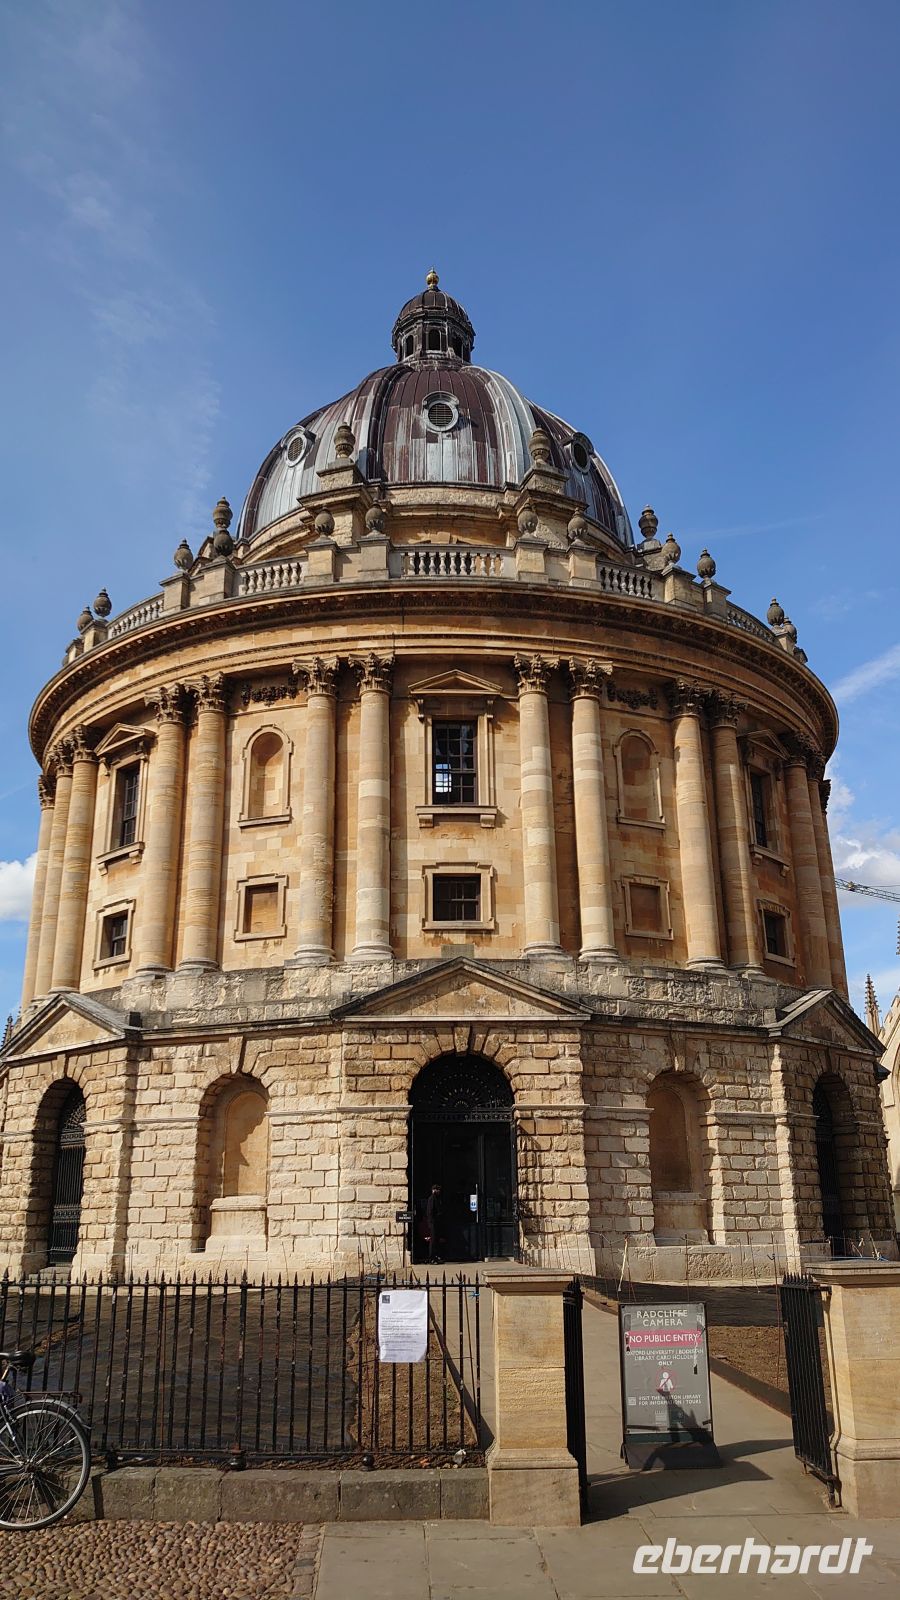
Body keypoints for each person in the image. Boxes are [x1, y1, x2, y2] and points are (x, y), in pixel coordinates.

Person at [422, 1184, 445, 1264]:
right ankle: (431, 1258)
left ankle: (435, 1256)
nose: (439, 1191)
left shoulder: (437, 1198)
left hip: (436, 1222)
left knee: (436, 1240)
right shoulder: (432, 1199)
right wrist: (431, 1223)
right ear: (434, 1190)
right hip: (433, 1223)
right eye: (437, 1190)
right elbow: (430, 1212)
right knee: (433, 1241)